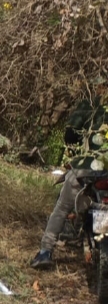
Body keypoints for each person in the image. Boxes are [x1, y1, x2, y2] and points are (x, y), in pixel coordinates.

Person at [31, 79, 108, 269]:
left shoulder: (90, 104)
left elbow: (70, 136)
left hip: (89, 168)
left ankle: (45, 251)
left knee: (62, 207)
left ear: (100, 87)